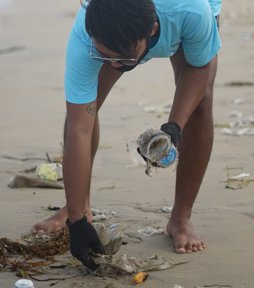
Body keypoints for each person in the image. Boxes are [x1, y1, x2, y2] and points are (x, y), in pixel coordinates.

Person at [33, 0, 222, 270]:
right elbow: (79, 127)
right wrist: (77, 222)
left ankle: (181, 218)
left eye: (120, 59)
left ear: (152, 30)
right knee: (87, 107)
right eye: (103, 55)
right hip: (121, 28)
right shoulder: (86, 36)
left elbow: (199, 68)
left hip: (179, 13)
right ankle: (78, 207)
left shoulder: (191, 10)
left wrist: (174, 128)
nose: (111, 64)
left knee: (200, 104)